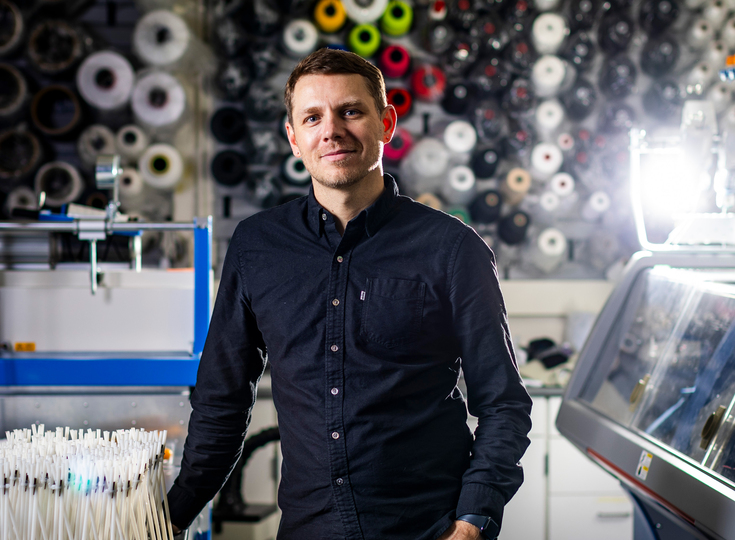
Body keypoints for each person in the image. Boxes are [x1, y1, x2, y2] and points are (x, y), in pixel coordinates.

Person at [167, 48, 532, 540]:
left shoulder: (452, 249)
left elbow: (505, 404)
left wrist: (471, 524)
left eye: (351, 112)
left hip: (427, 530)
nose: (331, 130)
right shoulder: (257, 247)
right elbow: (221, 405)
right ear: (294, 138)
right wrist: (164, 521)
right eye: (313, 117)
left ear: (386, 123)